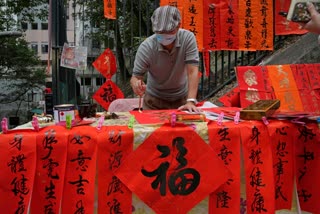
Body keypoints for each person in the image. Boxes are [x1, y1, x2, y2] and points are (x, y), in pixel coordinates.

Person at [130, 5, 200, 112]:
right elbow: (136, 77)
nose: (164, 36)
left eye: (169, 32)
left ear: (178, 26)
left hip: (182, 99)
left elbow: (192, 71)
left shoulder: (187, 38)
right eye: (160, 33)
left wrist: (190, 101)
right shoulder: (147, 47)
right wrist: (136, 84)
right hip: (154, 101)